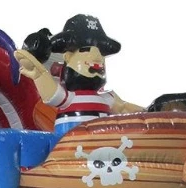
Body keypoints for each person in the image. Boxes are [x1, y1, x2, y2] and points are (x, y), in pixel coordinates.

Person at [15, 14, 144, 137]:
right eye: (86, 50)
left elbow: (123, 108)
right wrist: (39, 75)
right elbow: (52, 94)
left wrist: (149, 112)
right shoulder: (70, 98)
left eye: (101, 54)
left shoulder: (107, 98)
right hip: (71, 143)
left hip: (103, 145)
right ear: (68, 57)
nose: (97, 57)